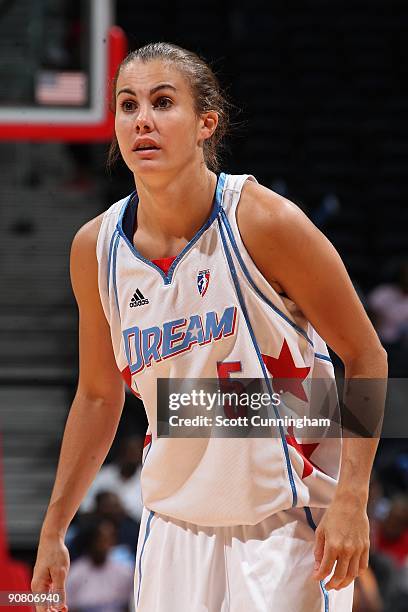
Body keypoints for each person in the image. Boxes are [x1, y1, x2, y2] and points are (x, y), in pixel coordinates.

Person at [31, 42, 387, 611]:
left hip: (288, 526)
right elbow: (99, 397)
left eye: (162, 101)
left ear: (206, 123)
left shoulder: (263, 221)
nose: (141, 118)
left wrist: (353, 498)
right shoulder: (94, 249)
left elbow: (367, 356)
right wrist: (54, 528)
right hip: (173, 526)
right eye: (127, 105)